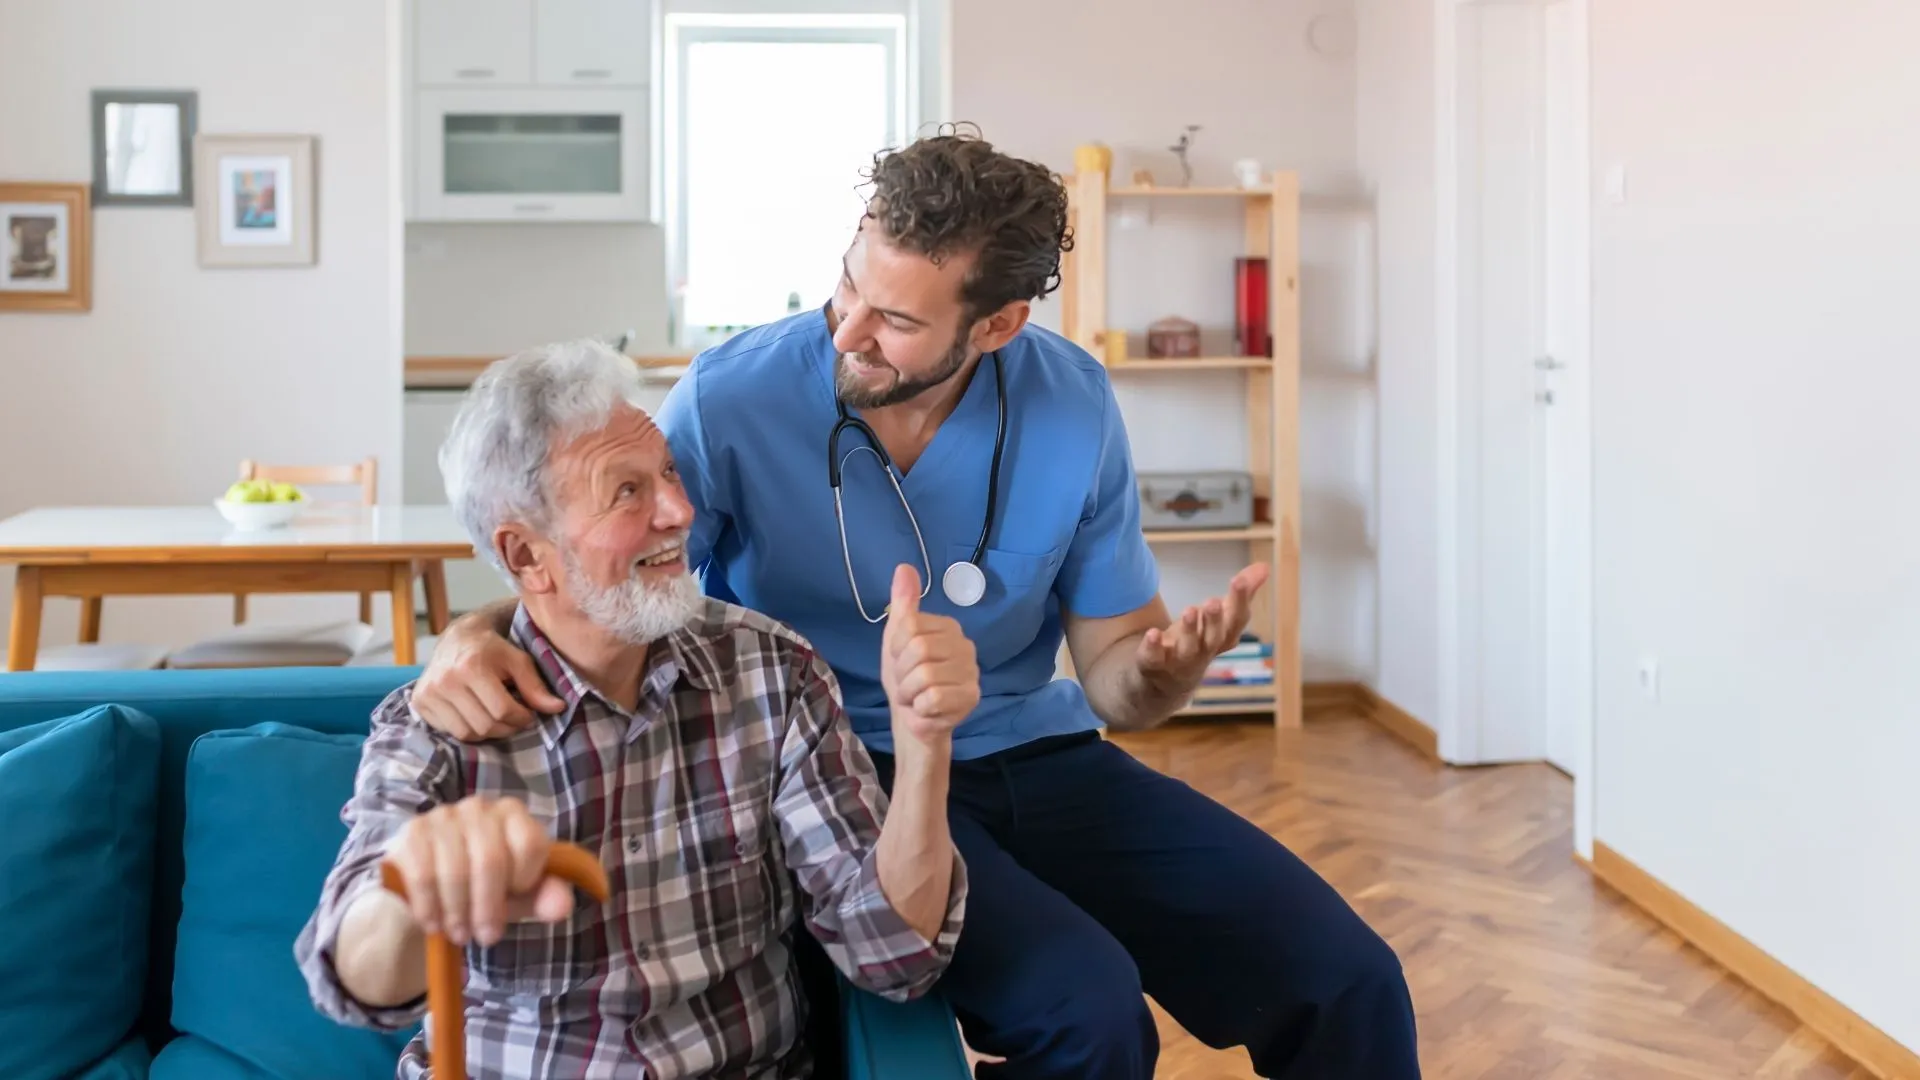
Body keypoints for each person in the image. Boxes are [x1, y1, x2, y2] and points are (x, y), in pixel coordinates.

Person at [409, 129, 1421, 1079]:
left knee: (1352, 980)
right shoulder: (732, 398)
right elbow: (610, 569)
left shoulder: (1072, 401)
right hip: (848, 774)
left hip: (1047, 760)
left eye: (894, 319)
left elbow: (1116, 682)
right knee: (1091, 1007)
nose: (848, 331)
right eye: (847, 286)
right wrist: (469, 632)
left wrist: (1162, 671)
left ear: (998, 324)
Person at [293, 340, 971, 1080]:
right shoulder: (438, 724)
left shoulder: (773, 675)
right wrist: (410, 888)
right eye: (626, 493)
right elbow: (355, 985)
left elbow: (893, 959)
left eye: (670, 475)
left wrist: (924, 744)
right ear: (525, 556)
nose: (680, 511)